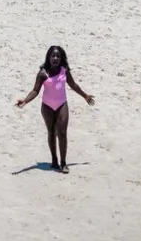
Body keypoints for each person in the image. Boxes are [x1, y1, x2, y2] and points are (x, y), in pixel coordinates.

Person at [15, 46, 94, 174]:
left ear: (61, 58)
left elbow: (73, 85)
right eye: (53, 56)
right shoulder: (43, 73)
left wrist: (85, 96)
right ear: (49, 57)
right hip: (47, 106)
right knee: (51, 132)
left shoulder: (64, 71)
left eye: (58, 56)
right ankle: (54, 160)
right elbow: (35, 90)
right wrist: (25, 101)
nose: (55, 58)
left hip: (62, 104)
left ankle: (63, 163)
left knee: (62, 133)